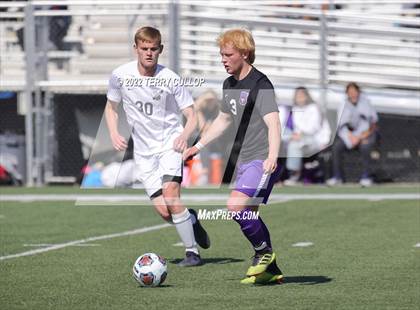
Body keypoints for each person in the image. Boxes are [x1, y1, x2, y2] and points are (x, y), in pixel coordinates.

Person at [184, 28, 283, 284]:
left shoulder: (261, 84)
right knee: (248, 212)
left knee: (236, 206)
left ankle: (263, 254)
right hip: (244, 159)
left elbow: (274, 123)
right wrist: (198, 146)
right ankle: (270, 270)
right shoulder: (229, 84)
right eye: (221, 54)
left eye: (228, 54)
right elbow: (224, 120)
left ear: (245, 53)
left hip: (262, 159)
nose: (223, 59)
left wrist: (272, 156)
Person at [105, 26, 210, 266]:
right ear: (136, 49)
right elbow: (111, 107)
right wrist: (113, 131)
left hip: (169, 146)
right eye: (144, 49)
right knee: (165, 212)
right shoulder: (120, 75)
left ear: (160, 49)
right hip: (143, 153)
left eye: (153, 49)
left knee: (172, 195)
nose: (149, 53)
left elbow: (191, 115)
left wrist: (184, 135)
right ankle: (191, 220)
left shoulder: (170, 78)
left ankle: (192, 253)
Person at [327, 82, 378, 187]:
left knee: (365, 146)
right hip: (350, 136)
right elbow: (341, 125)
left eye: (354, 91)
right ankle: (337, 177)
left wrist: (361, 136)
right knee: (336, 147)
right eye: (350, 92)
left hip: (366, 134)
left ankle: (366, 176)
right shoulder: (344, 105)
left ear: (358, 92)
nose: (352, 94)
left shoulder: (366, 103)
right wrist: (351, 136)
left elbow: (373, 124)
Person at [283, 87, 331, 186]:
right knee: (289, 141)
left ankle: (294, 175)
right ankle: (290, 174)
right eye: (297, 96)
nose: (299, 98)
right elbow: (289, 127)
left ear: (306, 96)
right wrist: (293, 135)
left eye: (301, 95)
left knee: (294, 145)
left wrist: (299, 134)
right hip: (300, 139)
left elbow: (313, 128)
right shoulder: (294, 109)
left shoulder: (313, 108)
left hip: (315, 140)